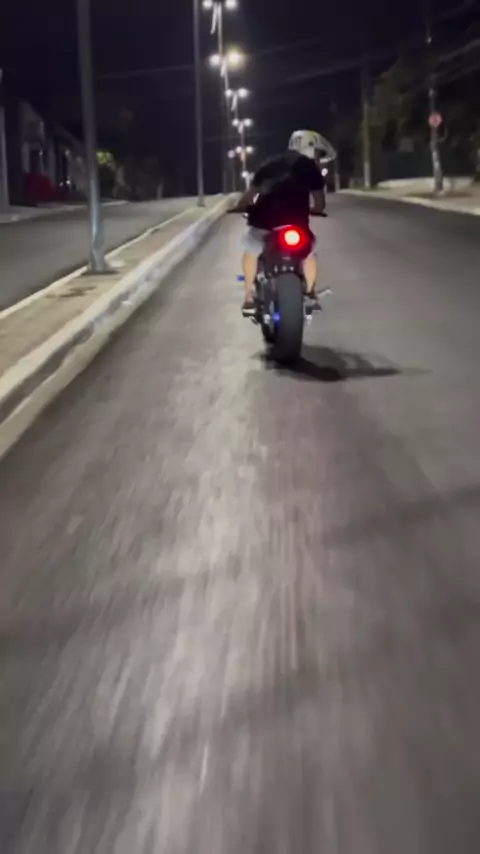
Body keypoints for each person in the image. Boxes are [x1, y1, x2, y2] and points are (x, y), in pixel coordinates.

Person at [231, 130, 328, 315]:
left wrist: (240, 207)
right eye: (316, 152)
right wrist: (315, 210)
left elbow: (249, 196)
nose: (317, 157)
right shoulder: (310, 168)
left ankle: (249, 298)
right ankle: (310, 293)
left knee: (252, 248)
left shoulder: (268, 164)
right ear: (307, 147)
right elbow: (320, 204)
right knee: (309, 252)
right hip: (296, 222)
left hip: (264, 221)